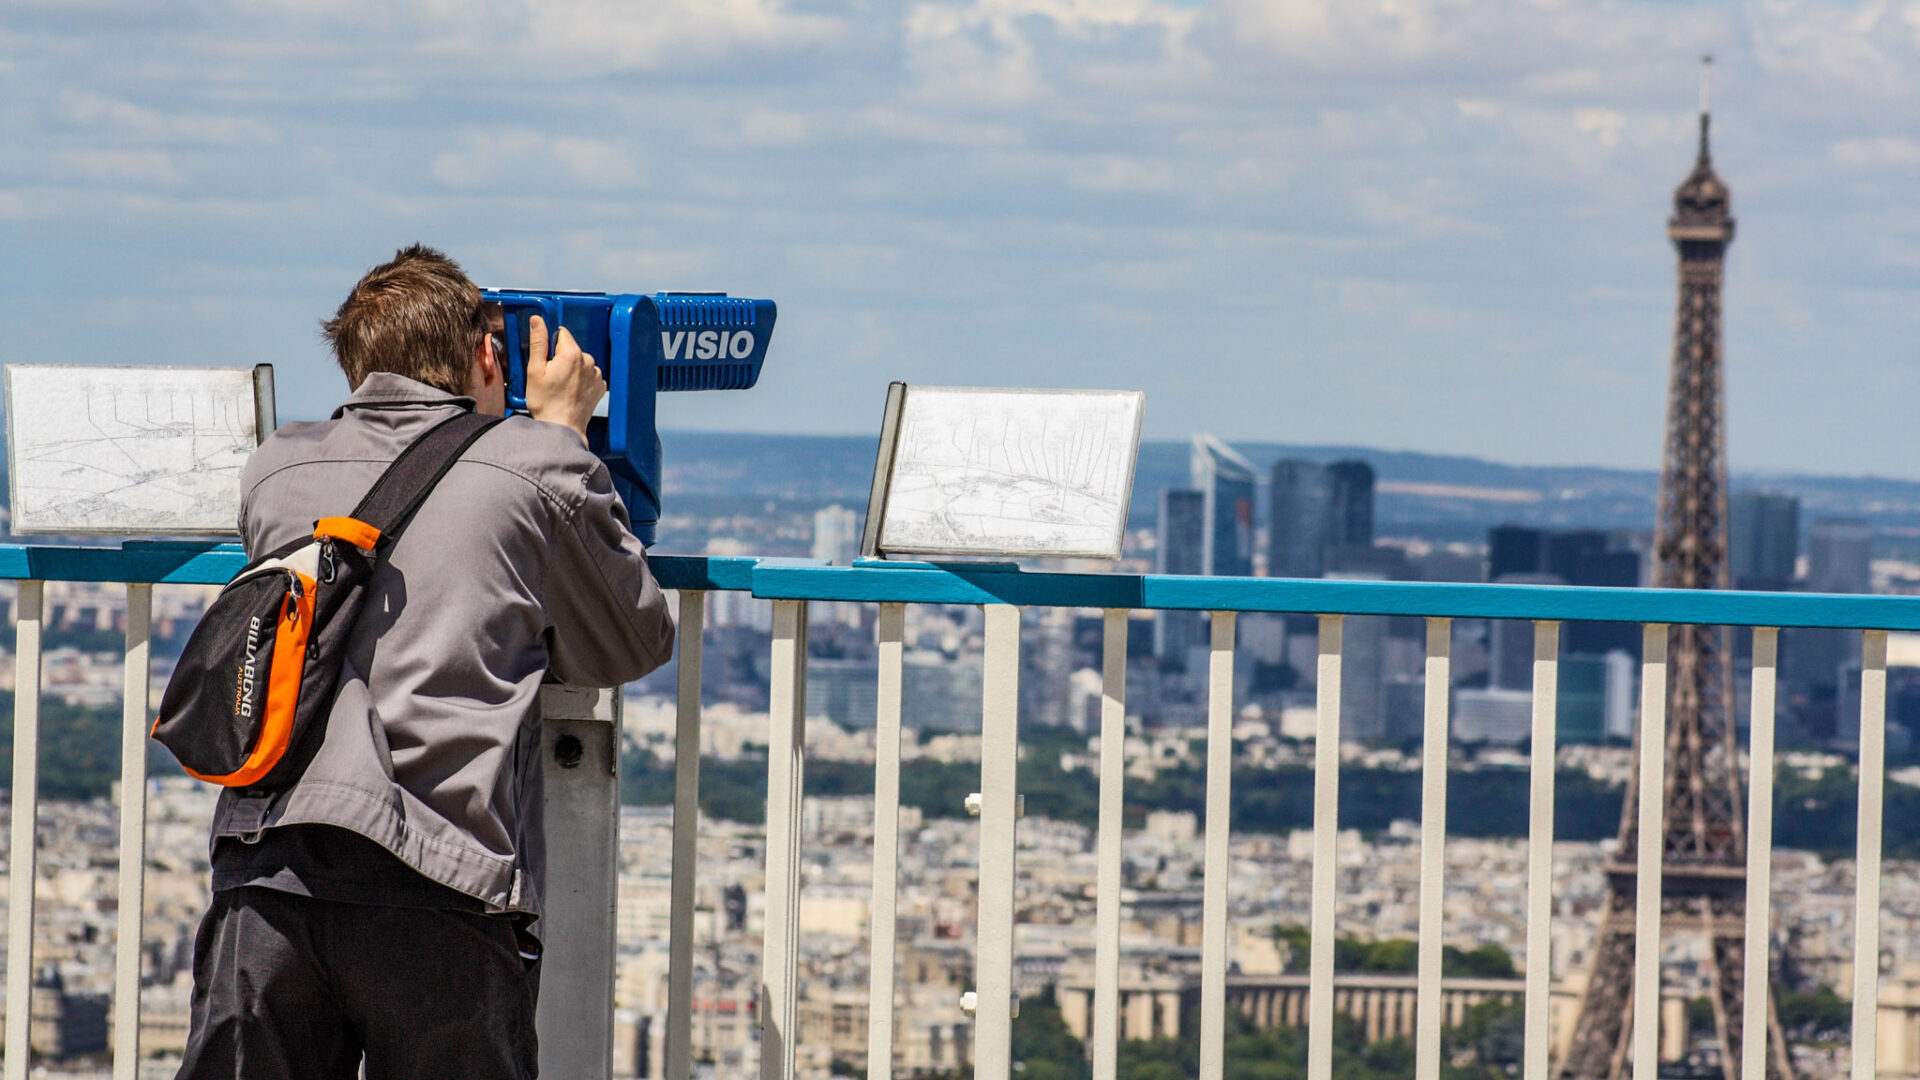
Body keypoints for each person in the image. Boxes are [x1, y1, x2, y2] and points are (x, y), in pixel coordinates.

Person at [177, 245, 675, 1080]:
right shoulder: (532, 465)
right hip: (437, 878)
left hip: (267, 873)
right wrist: (558, 436)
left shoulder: (277, 468)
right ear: (487, 355)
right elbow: (630, 639)